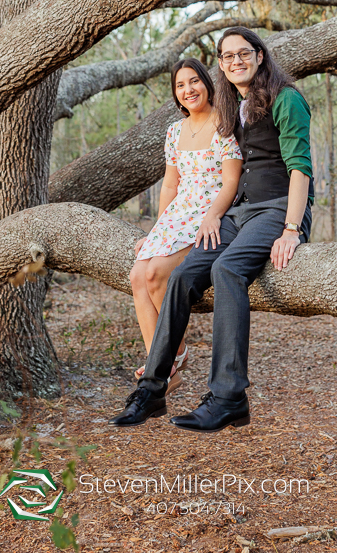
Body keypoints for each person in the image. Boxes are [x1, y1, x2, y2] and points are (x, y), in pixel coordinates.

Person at [110, 27, 314, 431]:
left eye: (243, 53)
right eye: (227, 56)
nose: (235, 61)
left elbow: (299, 167)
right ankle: (152, 390)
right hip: (239, 213)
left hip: (275, 210)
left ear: (260, 55)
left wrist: (292, 228)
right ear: (220, 64)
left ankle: (228, 398)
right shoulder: (233, 106)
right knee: (183, 275)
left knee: (226, 270)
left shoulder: (286, 99)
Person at [129, 57, 243, 394]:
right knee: (138, 274)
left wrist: (213, 216)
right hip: (178, 213)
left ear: (207, 84)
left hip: (208, 214)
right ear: (176, 94)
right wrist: (157, 230)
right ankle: (164, 363)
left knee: (155, 274)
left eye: (193, 81)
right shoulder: (174, 132)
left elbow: (232, 183)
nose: (188, 89)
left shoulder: (225, 124)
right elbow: (169, 185)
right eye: (180, 85)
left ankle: (169, 359)